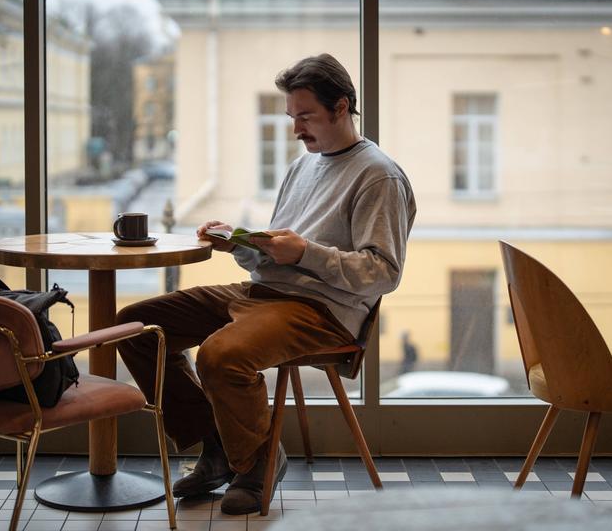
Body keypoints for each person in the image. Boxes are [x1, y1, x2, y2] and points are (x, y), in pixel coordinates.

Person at [117, 53, 416, 515]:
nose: (296, 129)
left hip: (322, 311)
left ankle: (256, 463)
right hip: (263, 294)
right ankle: (217, 448)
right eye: (292, 117)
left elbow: (382, 272)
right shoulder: (304, 165)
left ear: (341, 107)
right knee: (136, 326)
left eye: (305, 116)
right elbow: (277, 253)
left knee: (222, 355)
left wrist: (304, 253)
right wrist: (237, 243)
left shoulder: (379, 175)